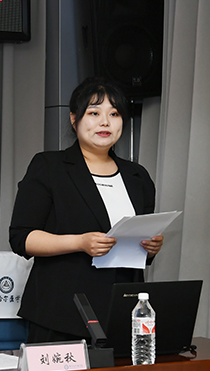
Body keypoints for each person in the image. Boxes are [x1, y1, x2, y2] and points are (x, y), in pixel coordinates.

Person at [9, 76, 164, 343]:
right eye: (94, 113)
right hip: (62, 312)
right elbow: (22, 238)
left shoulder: (137, 176)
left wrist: (150, 247)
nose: (105, 122)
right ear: (74, 119)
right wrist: (80, 242)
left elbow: (139, 248)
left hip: (123, 312)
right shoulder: (50, 167)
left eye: (114, 114)